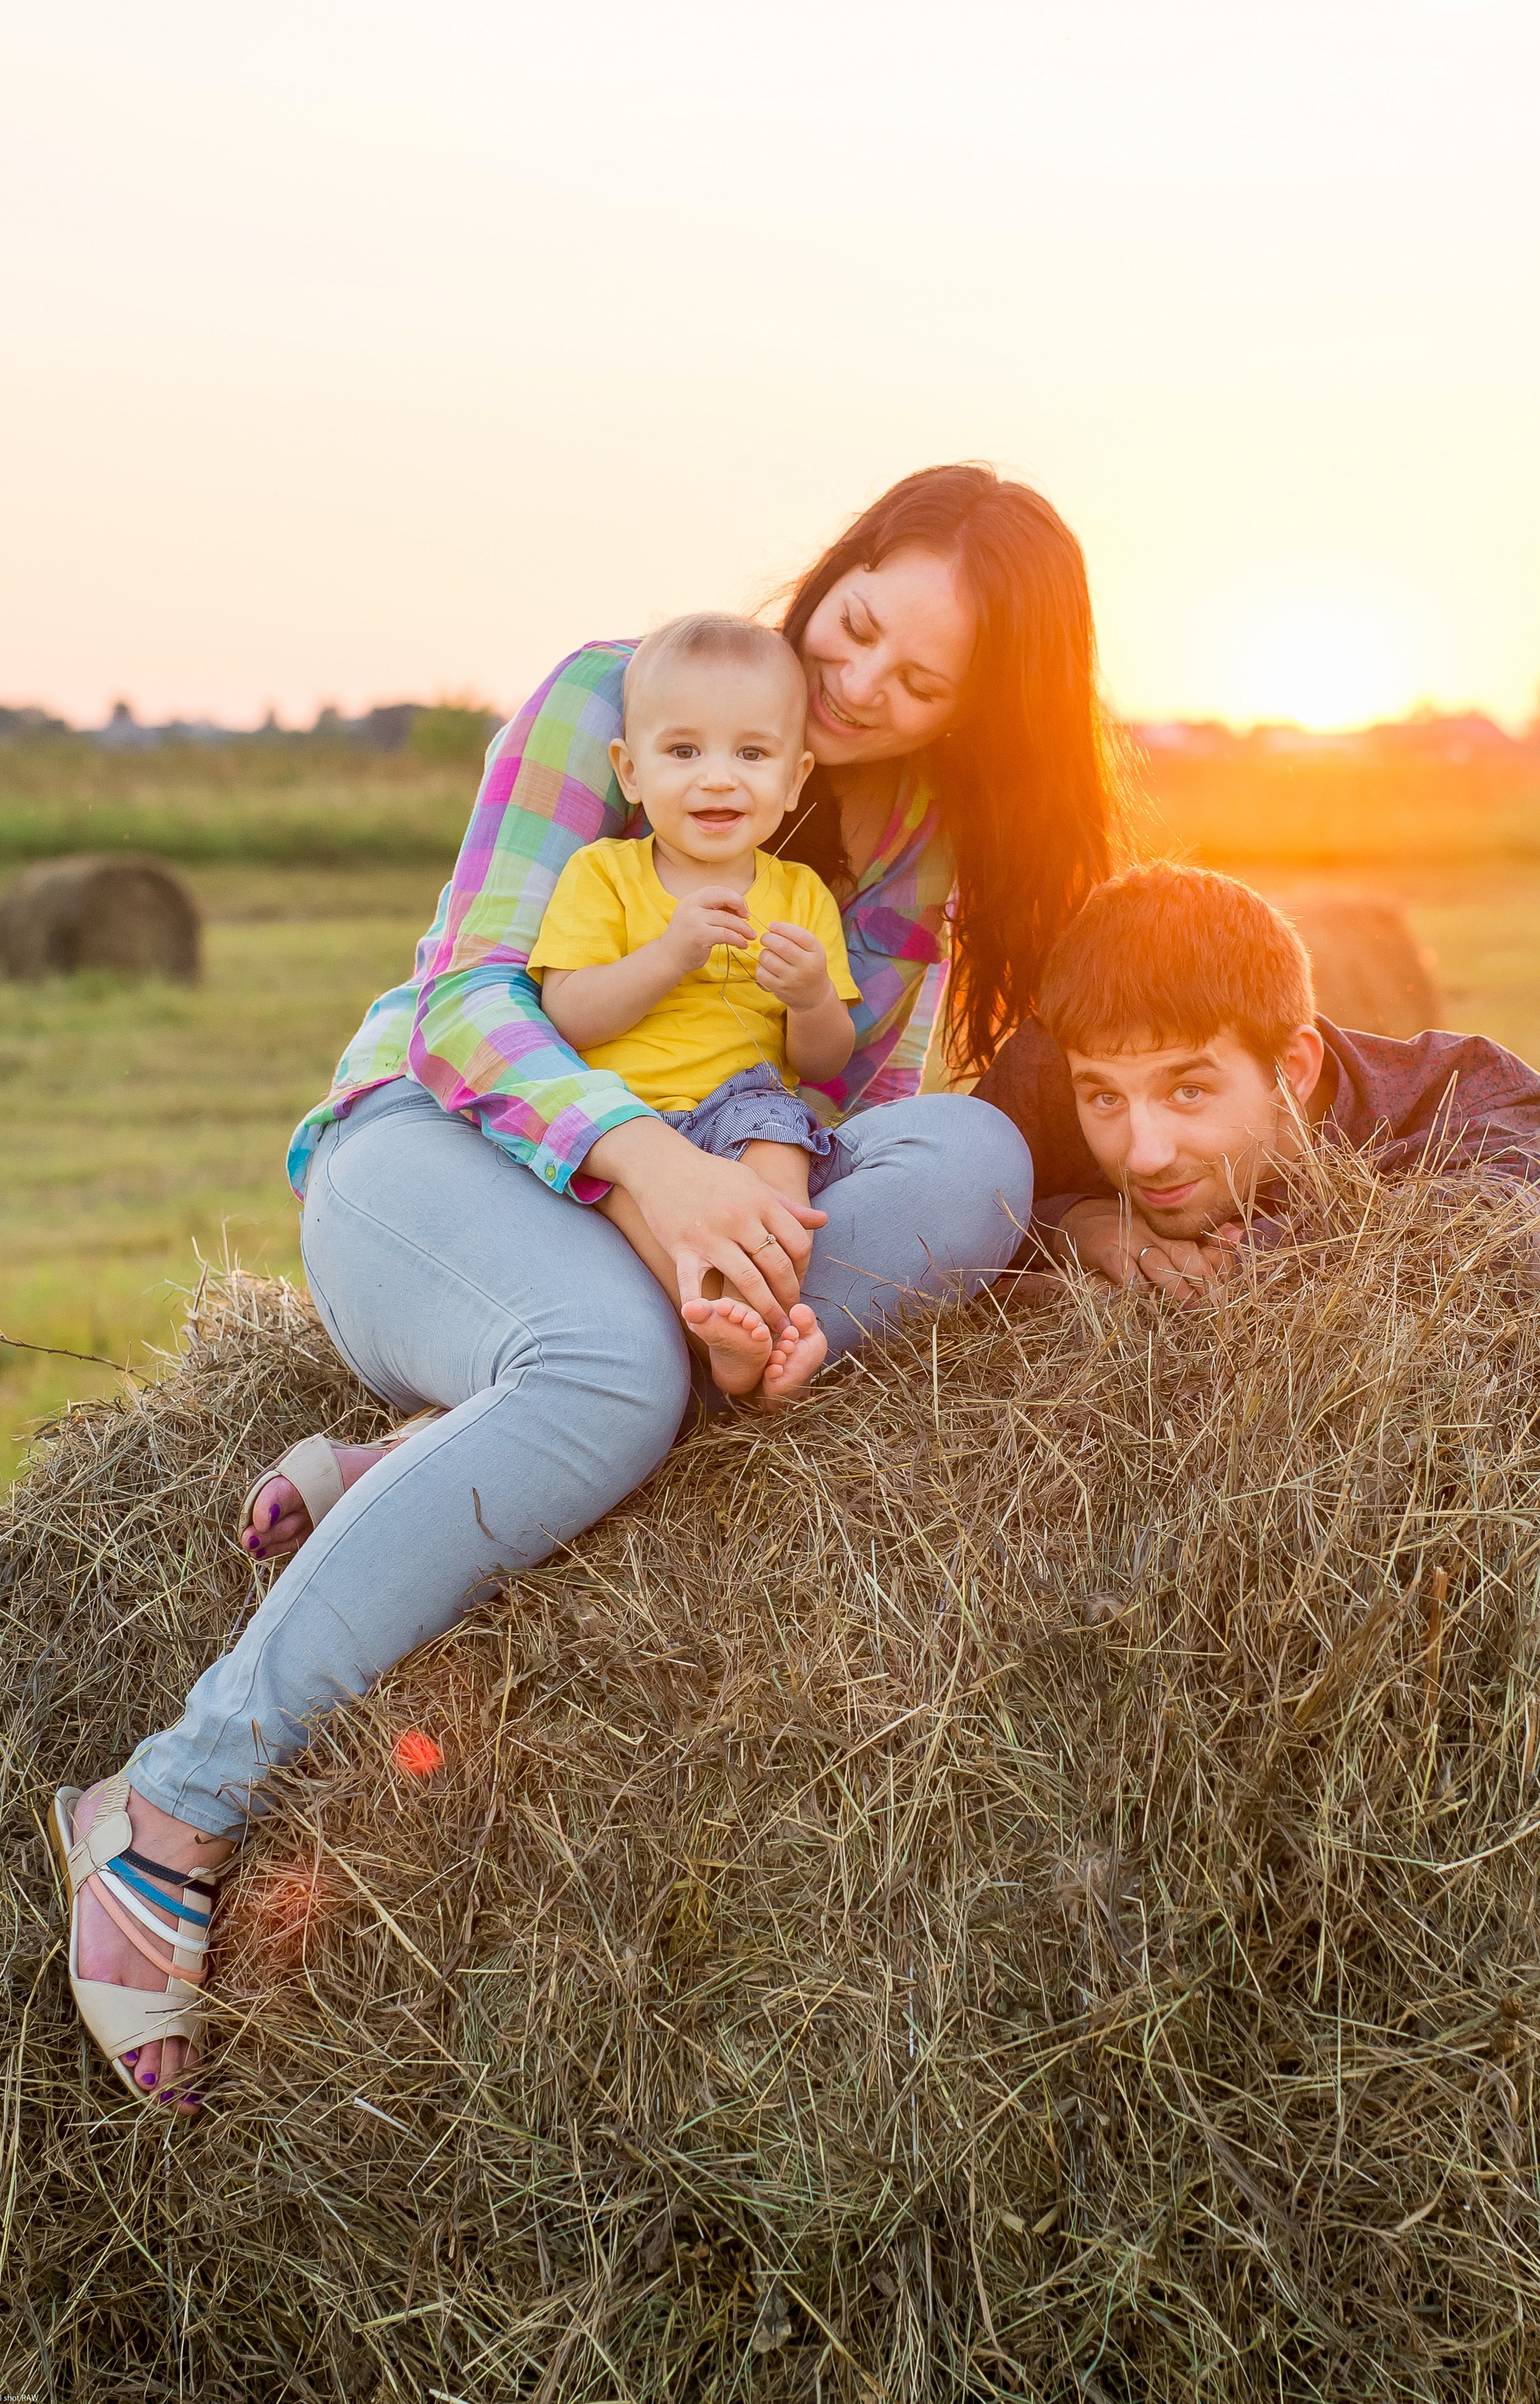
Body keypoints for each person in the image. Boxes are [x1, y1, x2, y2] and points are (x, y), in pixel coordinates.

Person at [55, 462, 1120, 2109]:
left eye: (918, 684)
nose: (855, 686)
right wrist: (649, 1170)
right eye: (853, 627)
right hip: (440, 1148)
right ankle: (169, 1803)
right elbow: (470, 1009)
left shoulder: (917, 830)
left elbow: (853, 1091)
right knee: (613, 1368)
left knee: (969, 1158)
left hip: (724, 1167)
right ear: (834, 567)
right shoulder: (613, 698)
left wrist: (804, 1195)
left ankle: (451, 1455)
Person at [976, 861, 1540, 1303]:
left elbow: (1497, 1243)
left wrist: (1266, 1255)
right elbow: (946, 1225)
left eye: (1188, 1092)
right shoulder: (1056, 1062)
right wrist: (1072, 1222)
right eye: (1105, 1098)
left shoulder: (1468, 1094)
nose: (1144, 1156)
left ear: (1295, 1069)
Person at [533, 611, 858, 1403]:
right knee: (642, 1209)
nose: (718, 778)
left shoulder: (799, 895)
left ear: (795, 779)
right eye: (684, 752)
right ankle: (717, 1329)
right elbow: (567, 1014)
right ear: (630, 770)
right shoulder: (604, 875)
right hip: (625, 1117)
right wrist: (669, 954)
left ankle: (757, 1320)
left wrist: (812, 996)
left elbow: (824, 1062)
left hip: (744, 1105)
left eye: (751, 754)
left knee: (778, 1150)